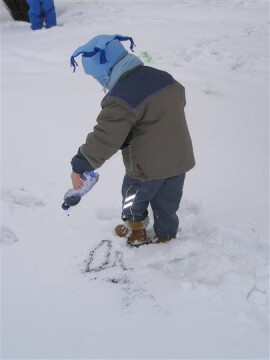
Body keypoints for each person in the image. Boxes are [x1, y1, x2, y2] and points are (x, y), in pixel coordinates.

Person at [70, 34, 195, 247]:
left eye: (97, 77)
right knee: (168, 203)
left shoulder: (121, 98)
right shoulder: (163, 77)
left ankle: (135, 231)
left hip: (144, 168)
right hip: (179, 160)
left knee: (132, 199)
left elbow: (106, 137)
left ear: (107, 70)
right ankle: (166, 235)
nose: (100, 82)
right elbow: (178, 98)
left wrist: (80, 164)